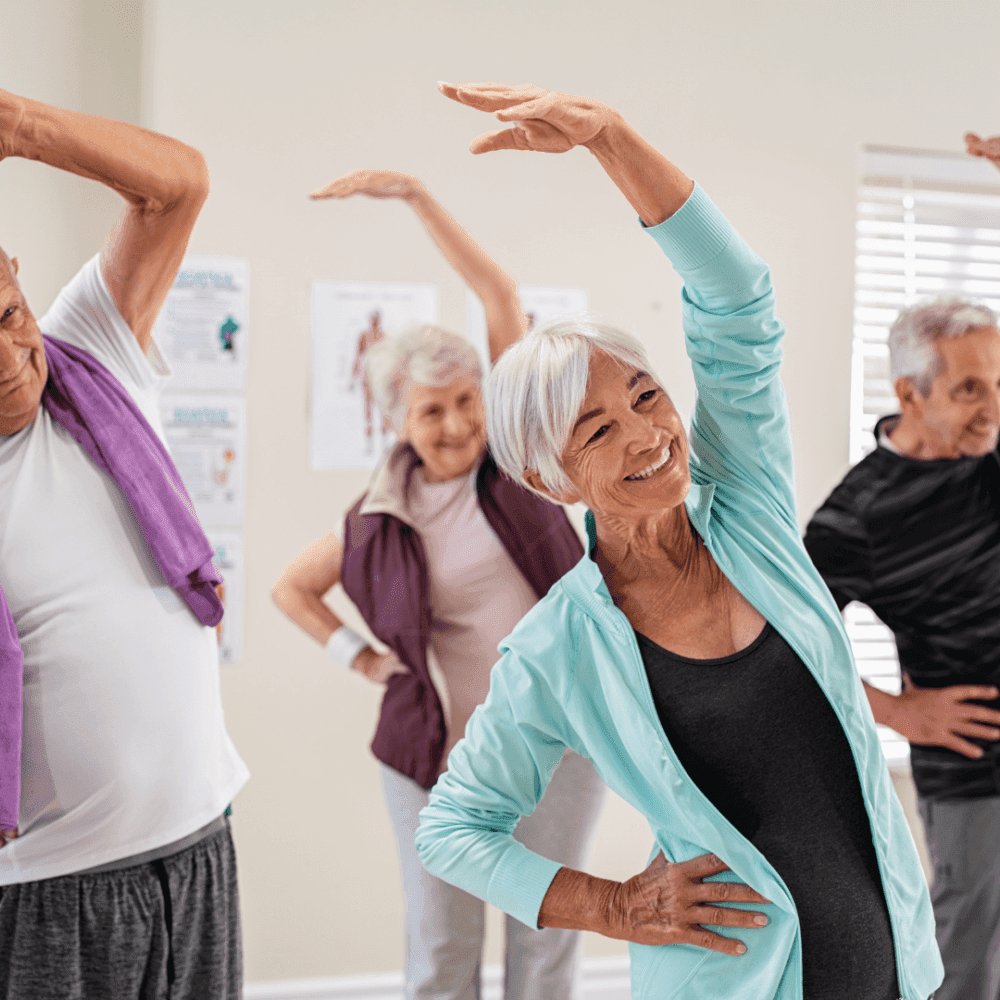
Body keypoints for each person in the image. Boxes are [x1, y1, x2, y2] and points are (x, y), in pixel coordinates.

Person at [415, 81, 943, 1000]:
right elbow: (454, 829)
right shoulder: (559, 645)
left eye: (646, 396)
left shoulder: (750, 512)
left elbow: (737, 296)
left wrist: (610, 137)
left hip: (889, 955)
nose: (646, 435)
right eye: (595, 430)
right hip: (731, 981)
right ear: (550, 479)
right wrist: (612, 908)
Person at [272, 169, 606, 1000]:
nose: (456, 425)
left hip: (556, 746)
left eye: (466, 402)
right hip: (437, 763)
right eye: (432, 411)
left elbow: (498, 297)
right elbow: (291, 589)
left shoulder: (520, 467)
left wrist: (419, 200)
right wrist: (358, 657)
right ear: (396, 421)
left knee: (545, 942)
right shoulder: (376, 519)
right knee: (440, 954)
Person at [0, 88, 249, 999]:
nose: (6, 357)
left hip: (196, 852)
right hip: (45, 894)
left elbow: (177, 186)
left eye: (5, 314)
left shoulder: (89, 354)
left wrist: (19, 129)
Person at [802, 131, 1000, 1000]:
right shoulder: (858, 516)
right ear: (909, 394)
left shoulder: (990, 457)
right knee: (971, 959)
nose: (991, 407)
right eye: (967, 390)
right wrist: (894, 710)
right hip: (975, 773)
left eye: (998, 383)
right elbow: (789, 643)